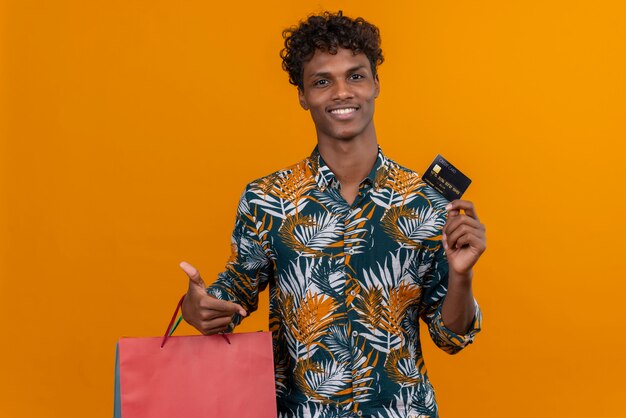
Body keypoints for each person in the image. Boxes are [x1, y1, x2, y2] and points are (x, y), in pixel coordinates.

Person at [180, 11, 486, 418]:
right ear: (303, 95)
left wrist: (461, 276)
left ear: (375, 84)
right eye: (322, 81)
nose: (342, 92)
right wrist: (196, 307)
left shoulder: (425, 202)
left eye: (355, 76)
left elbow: (451, 337)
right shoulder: (266, 198)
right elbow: (232, 296)